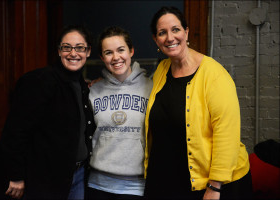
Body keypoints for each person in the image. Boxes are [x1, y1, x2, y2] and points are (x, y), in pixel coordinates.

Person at [143, 6, 253, 200]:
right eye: (162, 33)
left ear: (186, 32)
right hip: (171, 180)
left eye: (175, 29)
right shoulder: (162, 69)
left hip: (211, 185)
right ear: (155, 39)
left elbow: (226, 133)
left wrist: (215, 187)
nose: (170, 37)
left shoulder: (214, 75)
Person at [1, 25, 95, 199]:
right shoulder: (39, 81)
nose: (73, 53)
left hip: (77, 176)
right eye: (67, 47)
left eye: (80, 48)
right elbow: (15, 132)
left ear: (88, 52)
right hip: (46, 180)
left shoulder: (81, 84)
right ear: (59, 51)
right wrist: (16, 176)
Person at [87, 26, 153, 200]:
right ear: (102, 58)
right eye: (108, 53)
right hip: (97, 184)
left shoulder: (152, 89)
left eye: (121, 50)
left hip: (136, 187)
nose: (116, 57)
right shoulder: (93, 91)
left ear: (131, 51)